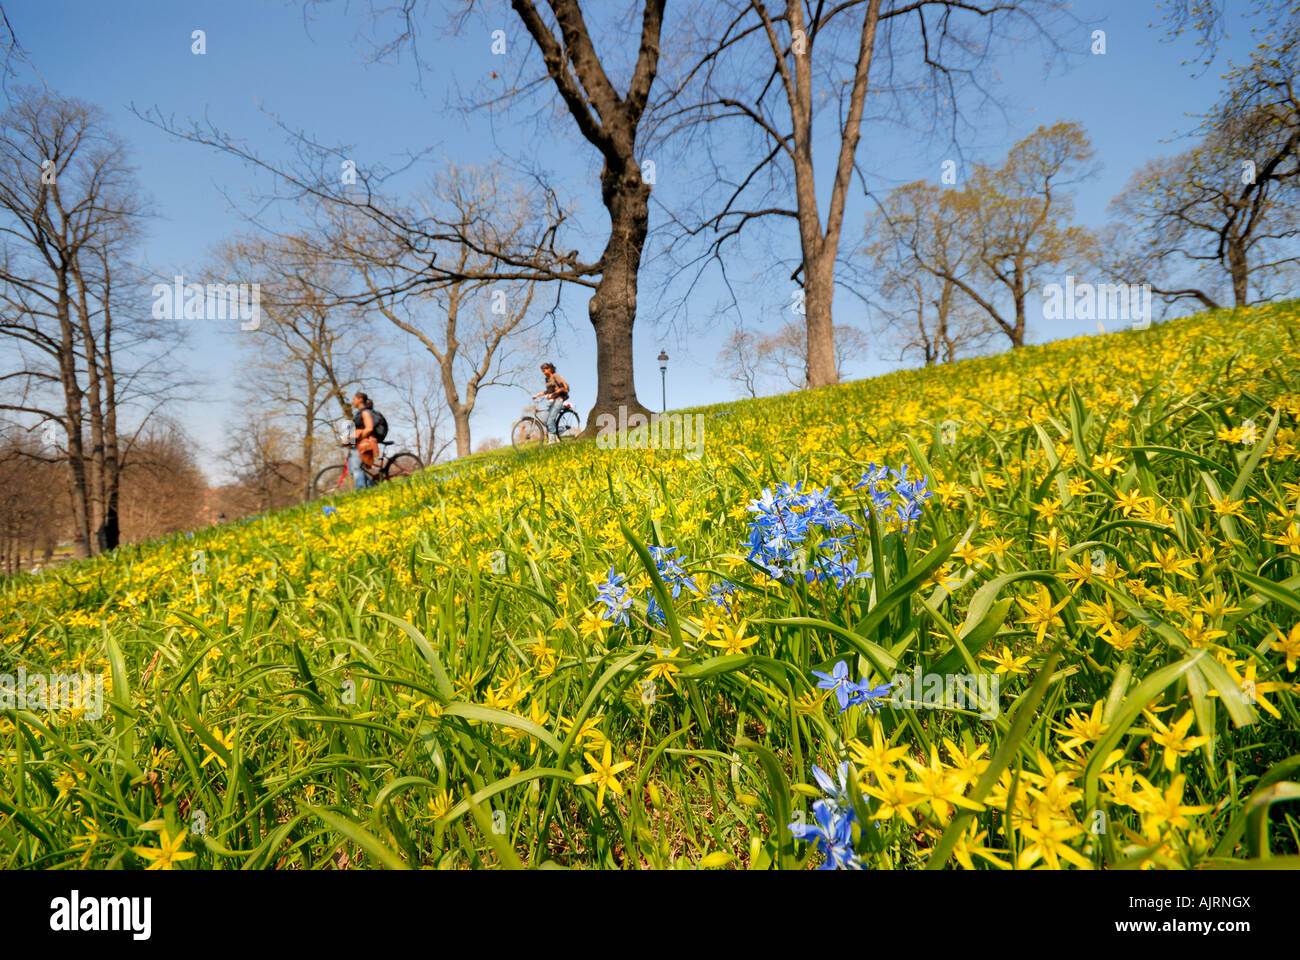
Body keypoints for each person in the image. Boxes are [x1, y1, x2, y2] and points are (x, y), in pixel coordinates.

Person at [349, 392, 388, 490]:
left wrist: (357, 437)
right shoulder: (359, 413)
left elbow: (369, 428)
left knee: (356, 467)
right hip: (359, 444)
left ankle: (361, 492)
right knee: (353, 468)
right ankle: (373, 488)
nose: (352, 401)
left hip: (364, 443)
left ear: (360, 399)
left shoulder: (365, 412)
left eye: (354, 399)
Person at [531, 362, 570, 443]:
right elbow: (548, 391)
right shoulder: (547, 379)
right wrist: (537, 395)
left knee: (550, 420)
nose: (544, 373)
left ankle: (552, 441)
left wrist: (553, 394)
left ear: (549, 369)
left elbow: (564, 387)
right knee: (545, 420)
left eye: (544, 370)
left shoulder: (556, 376)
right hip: (553, 400)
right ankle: (555, 435)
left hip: (559, 399)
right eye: (542, 371)